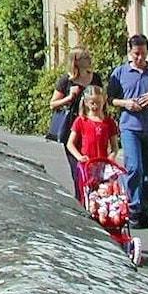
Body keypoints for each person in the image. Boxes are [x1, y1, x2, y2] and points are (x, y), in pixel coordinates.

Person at [107, 34, 148, 229]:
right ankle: (134, 209)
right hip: (130, 127)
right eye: (136, 54)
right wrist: (126, 103)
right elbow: (110, 99)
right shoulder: (120, 73)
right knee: (134, 168)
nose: (140, 58)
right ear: (130, 52)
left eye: (143, 54)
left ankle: (146, 210)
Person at [49, 47, 102, 201]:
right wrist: (70, 97)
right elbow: (53, 104)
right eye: (84, 57)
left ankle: (95, 203)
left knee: (96, 169)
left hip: (93, 129)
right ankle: (81, 202)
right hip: (72, 130)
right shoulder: (66, 80)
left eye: (88, 55)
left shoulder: (95, 78)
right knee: (78, 170)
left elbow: (102, 101)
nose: (89, 58)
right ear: (76, 62)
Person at [66, 85, 119, 165]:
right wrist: (79, 157)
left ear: (104, 101)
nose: (95, 106)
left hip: (103, 164)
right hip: (86, 165)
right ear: (86, 103)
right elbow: (70, 144)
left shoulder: (109, 122)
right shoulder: (81, 121)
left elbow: (114, 147)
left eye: (98, 102)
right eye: (92, 103)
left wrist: (112, 156)